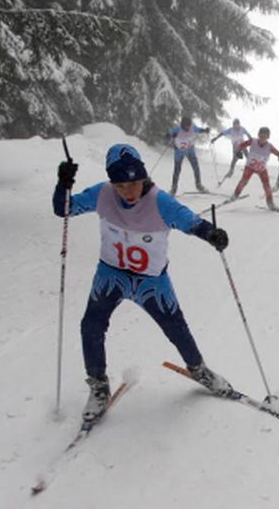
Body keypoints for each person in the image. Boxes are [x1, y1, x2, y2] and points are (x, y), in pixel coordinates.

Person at [54, 144, 233, 423]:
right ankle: (99, 386)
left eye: (134, 183)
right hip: (110, 274)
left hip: (151, 281)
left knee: (176, 327)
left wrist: (212, 234)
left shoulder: (160, 202)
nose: (128, 191)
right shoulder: (102, 194)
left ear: (144, 178)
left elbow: (192, 223)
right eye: (121, 185)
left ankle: (200, 370)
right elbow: (63, 209)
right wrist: (63, 183)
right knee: (91, 325)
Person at [231, 126, 279, 211]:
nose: (262, 139)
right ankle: (235, 195)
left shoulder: (269, 146)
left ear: (268, 137)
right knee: (243, 181)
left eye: (265, 137)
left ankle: (270, 202)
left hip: (261, 169)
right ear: (258, 135)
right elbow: (242, 145)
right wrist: (238, 151)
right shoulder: (253, 141)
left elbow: (278, 153)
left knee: (267, 185)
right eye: (261, 136)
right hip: (250, 167)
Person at [167, 115, 211, 196]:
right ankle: (173, 188)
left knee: (196, 167)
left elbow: (199, 129)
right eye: (186, 126)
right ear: (182, 124)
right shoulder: (177, 129)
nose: (187, 127)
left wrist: (205, 130)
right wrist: (171, 135)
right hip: (179, 152)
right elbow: (168, 134)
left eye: (189, 125)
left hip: (190, 150)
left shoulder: (192, 127)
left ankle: (199, 185)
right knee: (177, 170)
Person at [211, 117, 252, 182]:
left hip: (242, 144)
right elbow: (222, 133)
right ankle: (231, 171)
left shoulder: (242, 129)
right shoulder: (231, 130)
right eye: (235, 125)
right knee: (235, 159)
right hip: (235, 146)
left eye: (237, 124)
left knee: (247, 155)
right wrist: (215, 138)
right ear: (233, 125)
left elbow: (248, 134)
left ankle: (252, 168)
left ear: (239, 124)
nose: (236, 126)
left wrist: (251, 140)